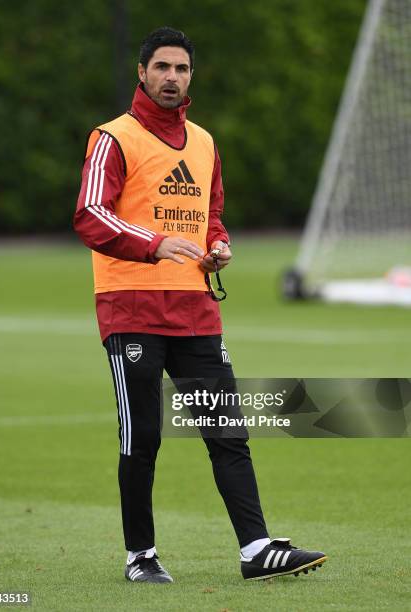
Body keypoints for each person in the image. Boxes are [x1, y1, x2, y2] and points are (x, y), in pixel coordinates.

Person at [74, 26, 327, 583]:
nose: (172, 77)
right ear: (142, 73)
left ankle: (256, 549)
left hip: (196, 310)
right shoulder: (113, 137)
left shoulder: (207, 142)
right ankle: (141, 556)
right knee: (141, 438)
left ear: (192, 76)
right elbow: (91, 213)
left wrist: (218, 246)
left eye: (182, 69)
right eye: (162, 67)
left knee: (227, 432)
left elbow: (210, 216)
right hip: (133, 308)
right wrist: (154, 243)